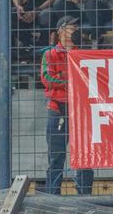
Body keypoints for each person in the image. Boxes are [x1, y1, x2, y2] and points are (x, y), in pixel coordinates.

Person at [41, 15, 94, 195]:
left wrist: (64, 79)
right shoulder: (49, 53)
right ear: (60, 31)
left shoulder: (83, 53)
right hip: (58, 108)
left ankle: (85, 195)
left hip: (79, 110)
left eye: (76, 28)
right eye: (72, 27)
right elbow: (47, 79)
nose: (75, 31)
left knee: (85, 155)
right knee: (56, 157)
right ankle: (53, 195)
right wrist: (73, 80)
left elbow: (89, 80)